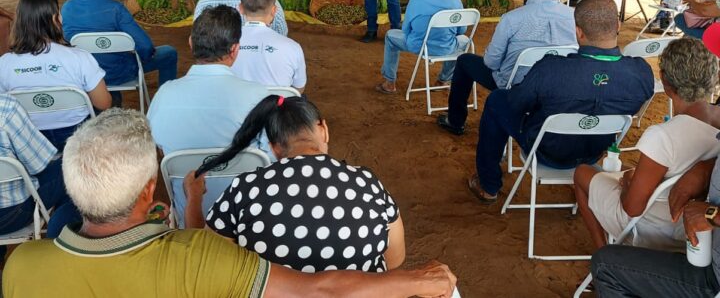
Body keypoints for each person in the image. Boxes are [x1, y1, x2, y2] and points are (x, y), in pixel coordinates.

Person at [2, 107, 457, 298]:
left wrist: (191, 204)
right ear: (147, 191)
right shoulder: (195, 259)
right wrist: (412, 280)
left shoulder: (21, 265)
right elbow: (318, 288)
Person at [187, 95, 405, 274]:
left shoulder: (245, 188)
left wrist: (194, 198)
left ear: (273, 148)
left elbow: (207, 262)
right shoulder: (367, 183)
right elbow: (395, 259)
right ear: (324, 130)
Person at [467, 0, 654, 204]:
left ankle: (488, 185)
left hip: (546, 151)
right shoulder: (641, 73)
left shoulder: (550, 69)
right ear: (618, 25)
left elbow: (517, 103)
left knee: (497, 100)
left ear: (578, 32)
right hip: (594, 154)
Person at [574, 38, 720, 251]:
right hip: (701, 228)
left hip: (655, 227)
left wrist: (626, 183)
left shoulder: (663, 136)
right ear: (714, 78)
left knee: (582, 173)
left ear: (665, 83)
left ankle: (603, 255)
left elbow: (632, 209)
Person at [148, 5, 270, 225]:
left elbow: (158, 147)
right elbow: (270, 156)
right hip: (248, 221)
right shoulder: (260, 96)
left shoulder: (164, 95)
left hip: (190, 221)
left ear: (191, 44)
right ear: (234, 50)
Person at [436, 0, 576, 136]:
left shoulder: (512, 18)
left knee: (464, 61)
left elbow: (491, 62)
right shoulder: (574, 16)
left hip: (515, 87)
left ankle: (455, 121)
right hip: (558, 87)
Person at [591, 154, 720, 297]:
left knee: (605, 266)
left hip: (713, 280)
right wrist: (707, 167)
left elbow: (632, 208)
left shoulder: (661, 140)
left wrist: (713, 214)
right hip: (704, 255)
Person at [0, 0, 111, 150]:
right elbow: (103, 103)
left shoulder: (4, 63)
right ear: (55, 18)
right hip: (77, 136)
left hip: (29, 141)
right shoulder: (79, 57)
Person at [61, 0, 178, 105]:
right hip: (118, 72)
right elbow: (145, 46)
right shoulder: (116, 8)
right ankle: (167, 104)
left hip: (83, 75)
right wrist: (140, 58)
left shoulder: (66, 8)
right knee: (169, 53)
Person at [375, 0, 467, 95]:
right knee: (464, 41)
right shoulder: (455, 1)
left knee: (390, 36)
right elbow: (461, 31)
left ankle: (390, 82)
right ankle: (443, 80)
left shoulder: (415, 1)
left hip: (418, 46)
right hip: (447, 47)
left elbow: (406, 30)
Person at [0, 93, 79, 241]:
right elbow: (38, 166)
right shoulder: (5, 108)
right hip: (12, 215)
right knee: (72, 164)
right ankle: (64, 238)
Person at [231, 0, 306, 92]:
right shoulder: (293, 47)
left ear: (240, 8)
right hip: (276, 108)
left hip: (237, 108)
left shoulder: (226, 43)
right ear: (274, 10)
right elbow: (298, 89)